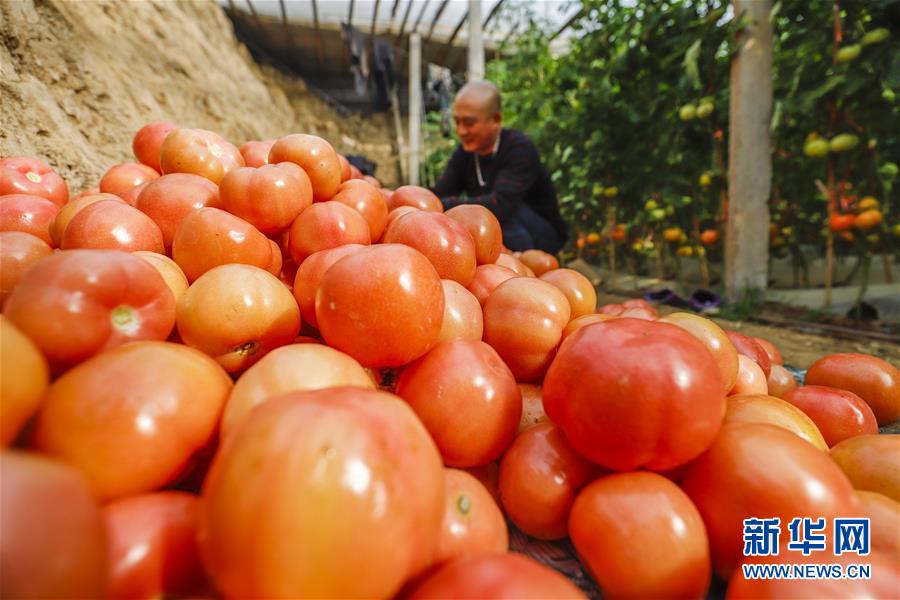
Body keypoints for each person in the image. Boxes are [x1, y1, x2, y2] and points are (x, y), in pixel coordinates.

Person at [430, 80, 569, 253]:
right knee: (481, 218)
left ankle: (519, 266)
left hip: (540, 233)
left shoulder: (519, 148)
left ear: (496, 119)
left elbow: (500, 204)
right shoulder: (466, 153)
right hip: (503, 228)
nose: (461, 131)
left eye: (469, 123)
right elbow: (440, 192)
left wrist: (438, 205)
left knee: (497, 214)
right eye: (457, 122)